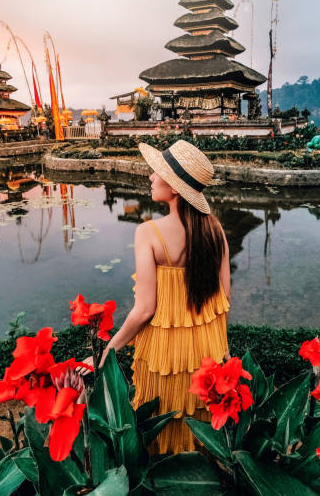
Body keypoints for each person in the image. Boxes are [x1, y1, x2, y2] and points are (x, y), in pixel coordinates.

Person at [80, 139, 231, 453]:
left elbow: (145, 308)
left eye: (157, 173)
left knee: (162, 422)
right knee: (200, 426)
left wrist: (105, 354)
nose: (150, 177)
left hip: (165, 354)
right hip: (207, 353)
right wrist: (221, 353)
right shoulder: (215, 230)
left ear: (174, 188)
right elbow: (223, 303)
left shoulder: (148, 232)